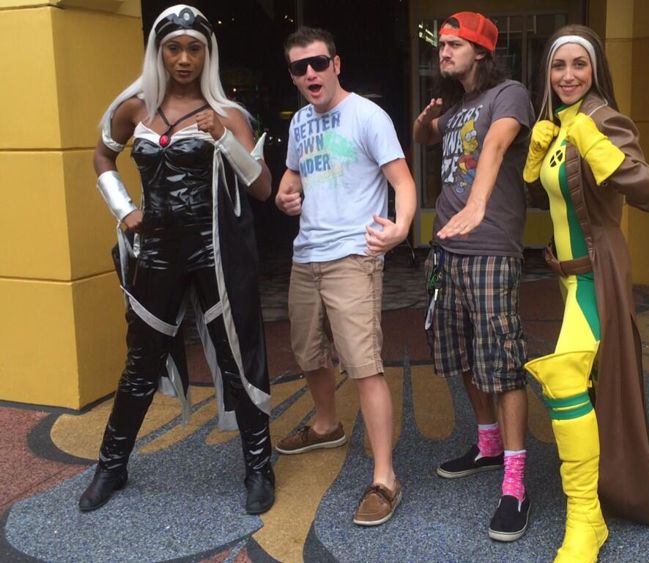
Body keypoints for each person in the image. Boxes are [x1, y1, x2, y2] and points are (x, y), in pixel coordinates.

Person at [79, 4, 276, 516]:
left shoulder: (228, 114)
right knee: (140, 362)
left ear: (208, 54)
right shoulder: (134, 108)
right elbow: (102, 155)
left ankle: (259, 467)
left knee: (237, 357)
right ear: (158, 51)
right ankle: (111, 465)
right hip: (157, 252)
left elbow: (261, 187)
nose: (184, 59)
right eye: (173, 48)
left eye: (194, 49)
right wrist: (124, 210)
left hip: (216, 251)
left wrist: (222, 136)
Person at [522, 24, 649, 562]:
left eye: (579, 64)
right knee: (585, 386)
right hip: (568, 277)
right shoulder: (556, 124)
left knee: (565, 380)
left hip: (597, 273)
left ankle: (586, 519)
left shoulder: (602, 119)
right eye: (558, 65)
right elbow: (557, 199)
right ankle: (592, 502)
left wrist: (595, 144)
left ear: (595, 70)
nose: (568, 75)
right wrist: (537, 157)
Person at [274, 26, 416, 527]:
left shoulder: (367, 116)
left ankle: (385, 478)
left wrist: (401, 227)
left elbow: (402, 180)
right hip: (306, 255)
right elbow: (293, 176)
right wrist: (285, 194)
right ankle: (326, 424)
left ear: (336, 64)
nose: (311, 73)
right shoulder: (299, 123)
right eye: (300, 68)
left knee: (364, 365)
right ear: (293, 76)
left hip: (354, 256)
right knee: (308, 352)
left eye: (318, 63)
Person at [413, 12, 534, 542]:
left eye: (454, 44)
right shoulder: (456, 107)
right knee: (460, 353)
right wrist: (426, 121)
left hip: (489, 248)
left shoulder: (509, 94)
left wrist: (478, 203)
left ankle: (516, 483)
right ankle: (487, 445)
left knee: (502, 364)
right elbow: (423, 136)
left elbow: (497, 146)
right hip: (447, 249)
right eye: (441, 44)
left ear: (481, 51)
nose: (443, 51)